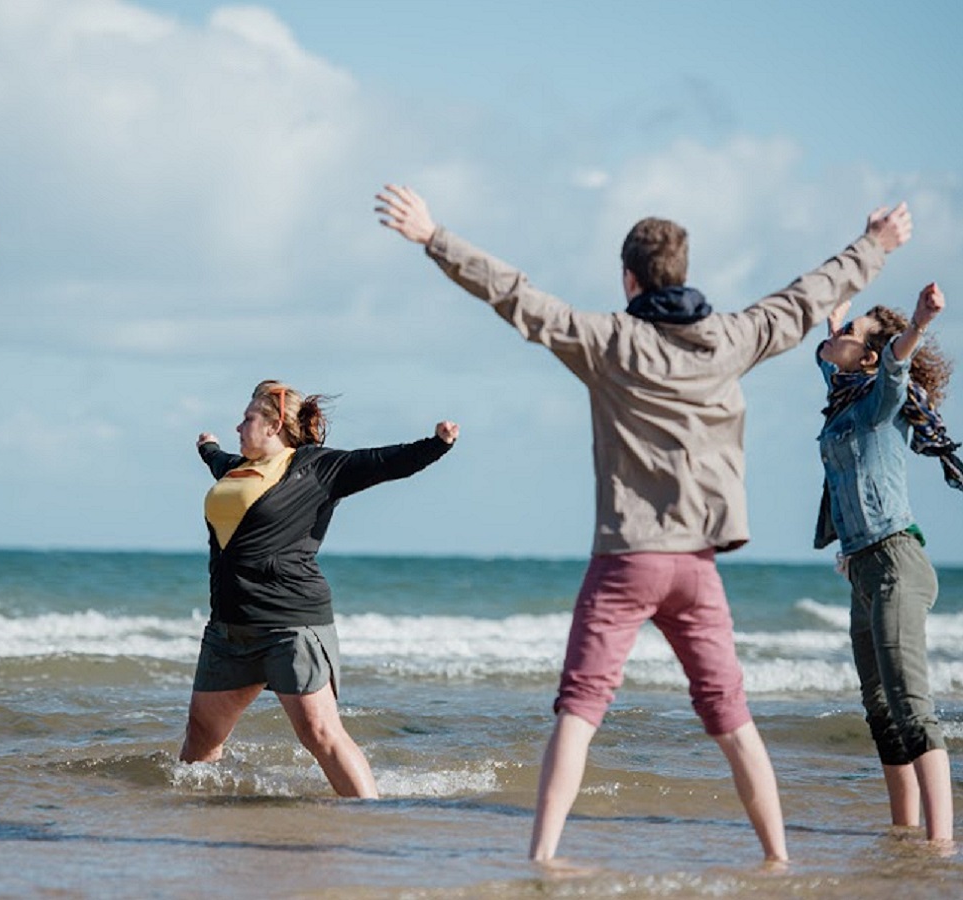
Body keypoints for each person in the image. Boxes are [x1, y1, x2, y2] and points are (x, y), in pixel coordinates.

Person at [376, 183, 913, 863]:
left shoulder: (608, 341)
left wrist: (432, 236)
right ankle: (778, 860)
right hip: (695, 567)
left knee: (578, 711)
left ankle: (542, 859)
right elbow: (809, 297)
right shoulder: (732, 338)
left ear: (629, 278)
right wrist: (876, 245)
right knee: (732, 718)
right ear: (683, 273)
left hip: (626, 560)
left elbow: (516, 297)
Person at [183, 380, 458, 797]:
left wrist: (435, 445)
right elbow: (217, 460)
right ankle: (206, 830)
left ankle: (369, 822)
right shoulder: (236, 469)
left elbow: (383, 462)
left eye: (248, 419)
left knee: (320, 733)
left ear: (274, 425)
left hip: (291, 627)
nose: (239, 427)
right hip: (230, 628)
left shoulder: (318, 469)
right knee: (201, 739)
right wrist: (208, 448)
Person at [814, 282, 957, 844]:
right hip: (862, 573)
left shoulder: (878, 399)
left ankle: (941, 845)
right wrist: (835, 317)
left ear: (869, 354)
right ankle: (904, 833)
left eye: (848, 335)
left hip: (897, 562)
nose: (834, 340)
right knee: (880, 710)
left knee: (910, 703)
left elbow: (896, 366)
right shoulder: (843, 395)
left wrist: (917, 324)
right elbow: (831, 359)